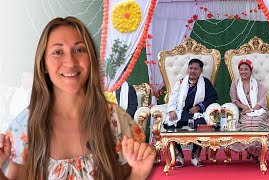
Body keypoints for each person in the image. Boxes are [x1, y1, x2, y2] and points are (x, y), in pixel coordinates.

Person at [0, 16, 155, 180]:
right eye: (58, 52)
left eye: (79, 50)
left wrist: (138, 173)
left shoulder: (116, 121)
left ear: (91, 59)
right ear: (44, 63)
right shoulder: (24, 126)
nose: (70, 61)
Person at [163, 58, 218, 167]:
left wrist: (198, 107)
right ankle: (179, 155)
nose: (192, 71)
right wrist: (172, 111)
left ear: (201, 71)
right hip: (181, 113)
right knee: (170, 124)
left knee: (202, 124)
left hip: (196, 114)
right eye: (191, 68)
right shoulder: (180, 82)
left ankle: (195, 155)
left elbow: (213, 97)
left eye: (196, 69)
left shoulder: (205, 83)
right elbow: (172, 99)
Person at [228, 59, 269, 161]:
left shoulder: (259, 84)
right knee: (247, 123)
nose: (243, 72)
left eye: (246, 69)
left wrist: (252, 109)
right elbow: (234, 100)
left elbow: (262, 102)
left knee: (257, 122)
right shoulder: (235, 84)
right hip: (245, 111)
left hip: (260, 110)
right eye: (241, 69)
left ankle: (256, 150)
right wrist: (244, 107)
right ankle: (251, 149)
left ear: (250, 71)